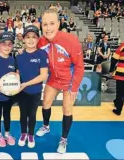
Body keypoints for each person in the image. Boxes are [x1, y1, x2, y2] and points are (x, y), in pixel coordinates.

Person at [35, 9, 84, 154]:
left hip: (69, 81)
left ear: (58, 24)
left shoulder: (71, 40)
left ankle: (64, 139)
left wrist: (74, 88)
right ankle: (46, 126)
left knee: (67, 109)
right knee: (46, 103)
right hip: (54, 78)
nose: (48, 28)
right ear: (41, 26)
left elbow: (79, 66)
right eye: (45, 24)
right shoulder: (41, 42)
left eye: (51, 23)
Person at [16, 25, 49, 148]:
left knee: (32, 114)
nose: (31, 40)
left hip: (35, 91)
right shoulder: (19, 55)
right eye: (28, 37)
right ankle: (23, 133)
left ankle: (31, 134)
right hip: (21, 92)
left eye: (34, 37)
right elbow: (17, 73)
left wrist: (26, 84)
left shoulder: (42, 54)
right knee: (23, 114)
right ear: (23, 39)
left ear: (38, 39)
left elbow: (43, 75)